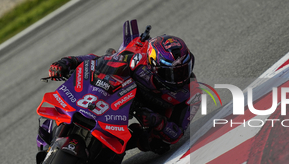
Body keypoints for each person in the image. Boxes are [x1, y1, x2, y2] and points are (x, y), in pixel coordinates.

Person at [49, 35, 201, 157]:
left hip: (150, 116)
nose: (178, 79)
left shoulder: (191, 92)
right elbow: (100, 60)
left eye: (183, 70)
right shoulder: (138, 57)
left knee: (157, 144)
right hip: (120, 95)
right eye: (170, 73)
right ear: (153, 66)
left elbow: (177, 134)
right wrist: (69, 61)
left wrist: (158, 121)